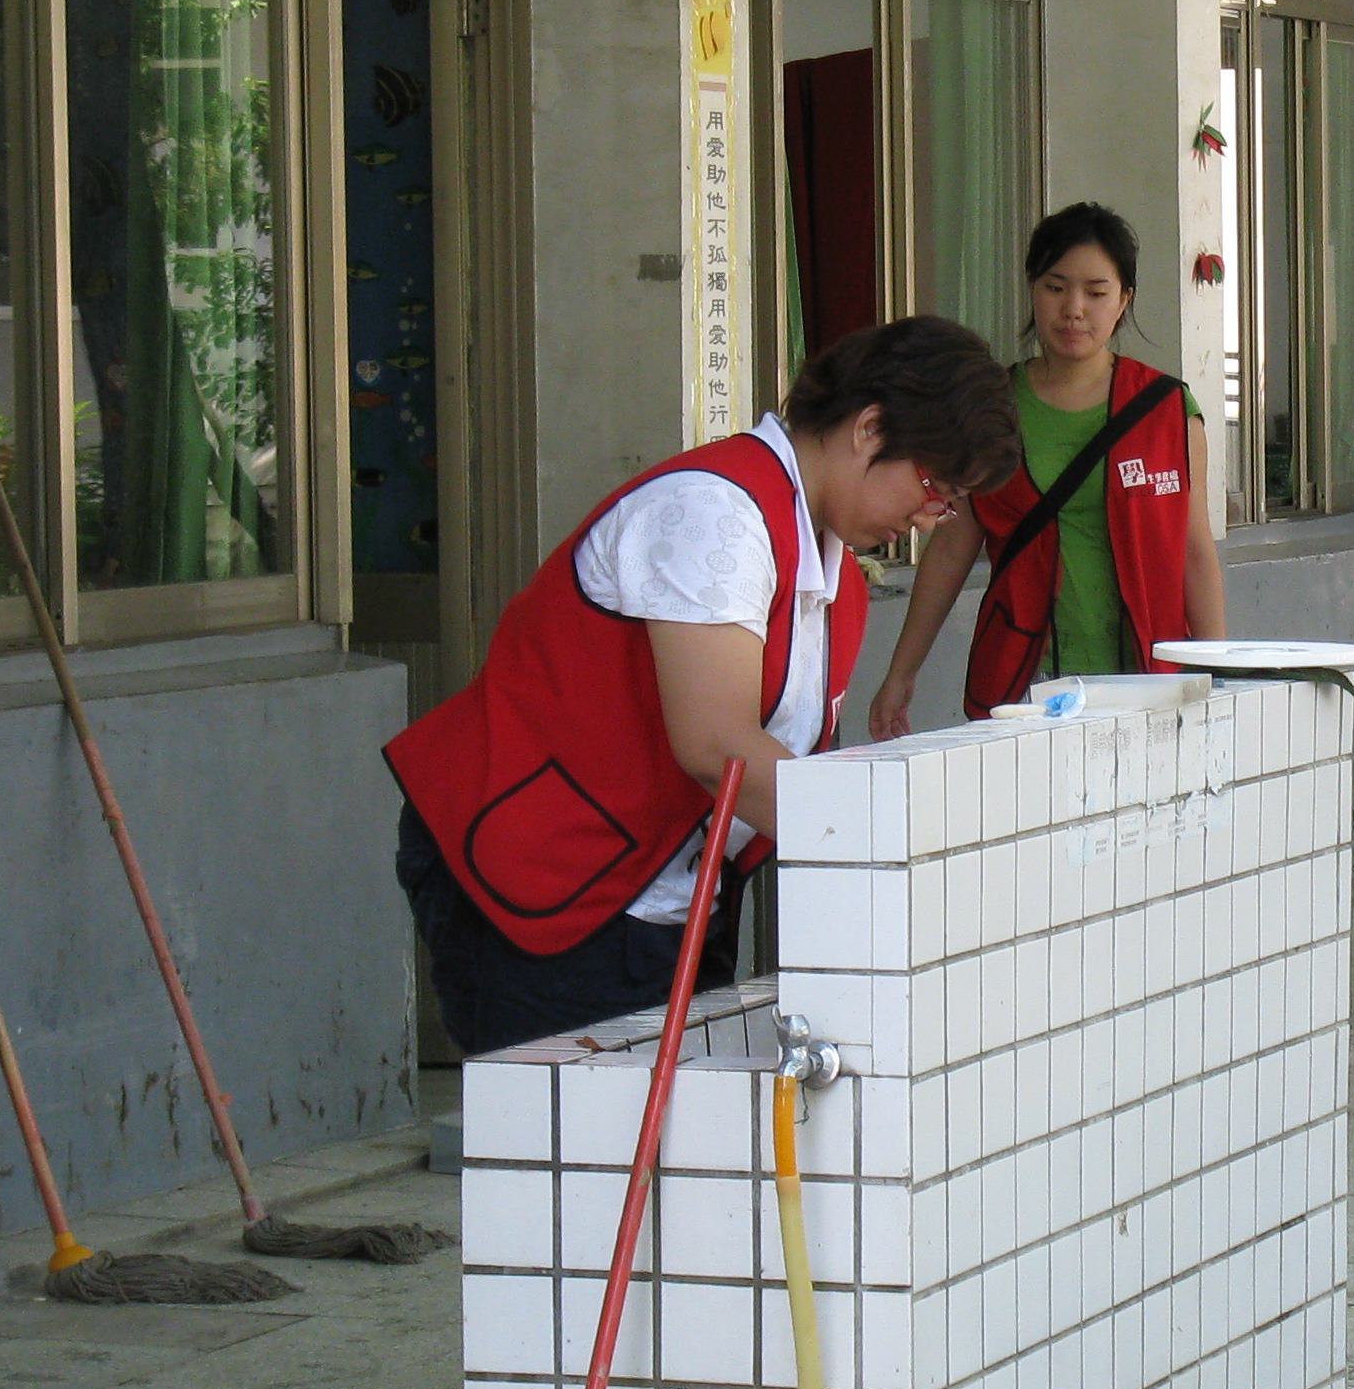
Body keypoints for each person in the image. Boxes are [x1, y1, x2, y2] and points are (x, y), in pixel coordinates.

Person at [387, 317, 1019, 1055]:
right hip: (541, 867)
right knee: (573, 1124)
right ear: (869, 428)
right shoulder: (714, 512)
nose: (928, 519)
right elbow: (718, 747)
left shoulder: (832, 568)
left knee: (671, 1125)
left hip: (665, 894)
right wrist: (896, 845)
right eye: (936, 488)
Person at [870, 202, 1229, 738]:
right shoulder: (989, 408)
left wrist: (1220, 677)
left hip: (1148, 678)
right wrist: (902, 672)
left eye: (1096, 292)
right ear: (1032, 289)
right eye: (1056, 287)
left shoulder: (1168, 410)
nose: (1074, 309)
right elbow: (950, 548)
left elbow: (1194, 553)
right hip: (1025, 682)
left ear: (1124, 299)